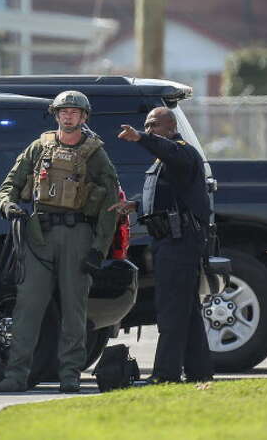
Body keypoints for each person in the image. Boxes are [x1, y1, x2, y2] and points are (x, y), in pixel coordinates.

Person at [0, 90, 120, 393]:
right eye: (63, 111)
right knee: (28, 307)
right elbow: (9, 184)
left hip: (78, 235)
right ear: (56, 114)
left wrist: (98, 249)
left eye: (74, 112)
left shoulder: (95, 154)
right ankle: (16, 375)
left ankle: (70, 375)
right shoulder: (39, 147)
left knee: (74, 310)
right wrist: (8, 205)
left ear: (84, 117)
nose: (68, 116)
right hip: (39, 234)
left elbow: (111, 204)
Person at [109, 107, 213, 384]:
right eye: (147, 125)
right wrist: (134, 205)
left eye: (154, 125)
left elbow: (171, 153)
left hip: (180, 243)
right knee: (186, 311)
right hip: (169, 240)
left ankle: (165, 375)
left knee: (170, 310)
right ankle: (199, 371)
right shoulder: (166, 160)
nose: (150, 128)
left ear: (170, 126)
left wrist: (141, 137)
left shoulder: (182, 152)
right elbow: (166, 195)